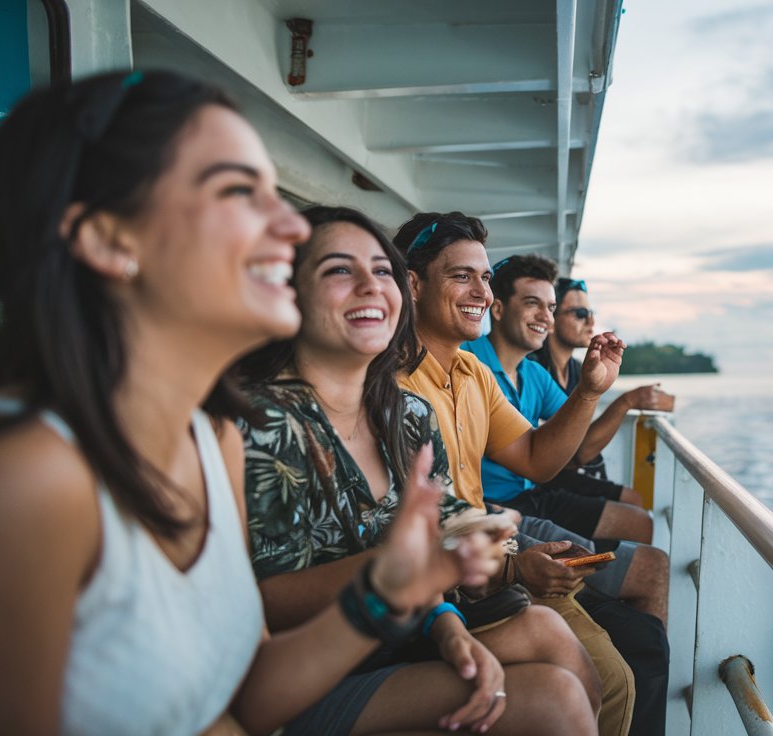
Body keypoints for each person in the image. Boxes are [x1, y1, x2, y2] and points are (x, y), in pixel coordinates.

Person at [0, 70, 555, 736]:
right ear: (111, 240)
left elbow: (246, 701)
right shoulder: (23, 478)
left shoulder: (209, 439)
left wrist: (383, 594)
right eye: (238, 192)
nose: (287, 224)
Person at [234, 205, 603, 734]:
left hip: (409, 631)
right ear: (290, 292)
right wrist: (402, 573)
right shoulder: (259, 423)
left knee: (559, 657)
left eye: (380, 270)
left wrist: (449, 624)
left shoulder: (406, 413)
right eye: (340, 269)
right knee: (554, 700)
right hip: (316, 667)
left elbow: (440, 536)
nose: (370, 285)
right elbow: (265, 598)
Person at [395, 212, 671, 736]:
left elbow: (538, 458)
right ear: (412, 283)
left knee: (619, 676)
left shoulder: (472, 373)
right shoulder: (391, 384)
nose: (482, 290)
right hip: (453, 584)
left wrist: (591, 390)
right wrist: (516, 567)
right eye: (462, 276)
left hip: (492, 556)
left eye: (484, 276)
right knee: (606, 678)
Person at [464, 254, 652, 543]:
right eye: (532, 304)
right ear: (498, 309)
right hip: (488, 503)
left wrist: (593, 390)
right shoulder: (467, 360)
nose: (545, 317)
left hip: (532, 491)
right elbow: (577, 455)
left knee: (639, 524)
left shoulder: (535, 374)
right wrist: (619, 401)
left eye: (551, 307)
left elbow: (577, 439)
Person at [531, 277, 674, 496]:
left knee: (635, 503)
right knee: (634, 507)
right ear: (551, 319)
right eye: (580, 314)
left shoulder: (578, 370)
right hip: (548, 483)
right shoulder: (536, 369)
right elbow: (580, 452)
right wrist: (628, 401)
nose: (590, 322)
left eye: (591, 313)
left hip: (577, 477)